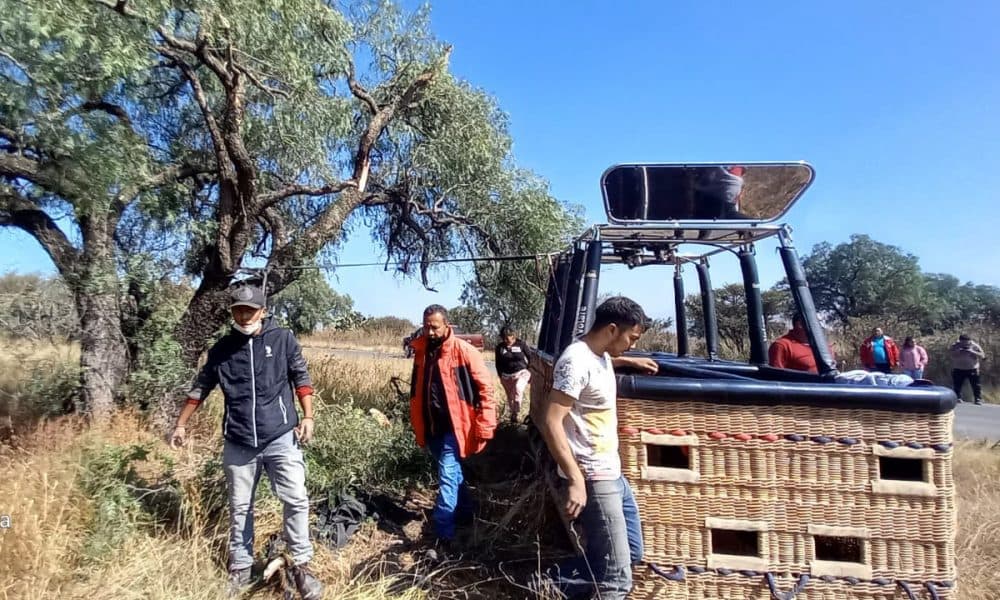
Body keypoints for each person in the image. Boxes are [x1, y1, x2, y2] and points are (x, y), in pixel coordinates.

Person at [169, 284, 323, 600]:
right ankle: (240, 568)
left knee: (296, 499)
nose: (243, 315)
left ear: (262, 311)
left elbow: (301, 380)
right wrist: (181, 424)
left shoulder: (282, 340)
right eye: (238, 310)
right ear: (232, 313)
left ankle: (302, 565)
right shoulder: (222, 349)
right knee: (240, 507)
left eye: (249, 311)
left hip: (281, 436)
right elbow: (201, 388)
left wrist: (307, 417)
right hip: (239, 441)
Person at [537, 296, 659, 600]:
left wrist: (627, 361)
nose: (632, 345)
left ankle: (548, 585)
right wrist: (576, 480)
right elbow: (551, 422)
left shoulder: (599, 355)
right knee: (617, 581)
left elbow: (598, 365)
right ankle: (550, 585)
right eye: (631, 338)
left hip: (613, 473)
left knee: (630, 551)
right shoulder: (575, 361)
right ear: (612, 329)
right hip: (592, 476)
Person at [408, 304, 497, 547]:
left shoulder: (463, 352)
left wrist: (486, 424)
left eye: (434, 327)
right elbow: (417, 389)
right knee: (454, 475)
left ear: (447, 325)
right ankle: (467, 514)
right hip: (432, 427)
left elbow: (486, 389)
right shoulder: (422, 351)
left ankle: (442, 535)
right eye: (426, 326)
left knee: (447, 476)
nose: (430, 331)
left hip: (455, 429)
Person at [768, 313, 836, 373]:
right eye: (816, 323)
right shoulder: (782, 345)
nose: (820, 327)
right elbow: (776, 377)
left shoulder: (824, 346)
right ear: (800, 324)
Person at [495, 325, 532, 424]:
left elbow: (530, 358)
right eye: (503, 338)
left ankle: (517, 411)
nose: (506, 340)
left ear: (513, 336)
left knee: (518, 389)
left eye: (507, 337)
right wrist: (500, 375)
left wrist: (529, 370)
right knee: (510, 396)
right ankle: (513, 414)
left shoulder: (521, 344)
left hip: (521, 372)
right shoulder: (500, 348)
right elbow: (497, 363)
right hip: (506, 376)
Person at [950, 333, 986, 404]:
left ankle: (978, 399)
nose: (964, 344)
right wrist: (957, 351)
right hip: (958, 368)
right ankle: (957, 397)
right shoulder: (955, 345)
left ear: (970, 341)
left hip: (972, 368)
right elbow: (950, 353)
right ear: (960, 341)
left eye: (966, 343)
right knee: (957, 384)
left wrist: (972, 351)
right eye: (962, 342)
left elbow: (983, 356)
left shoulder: (975, 346)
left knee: (976, 385)